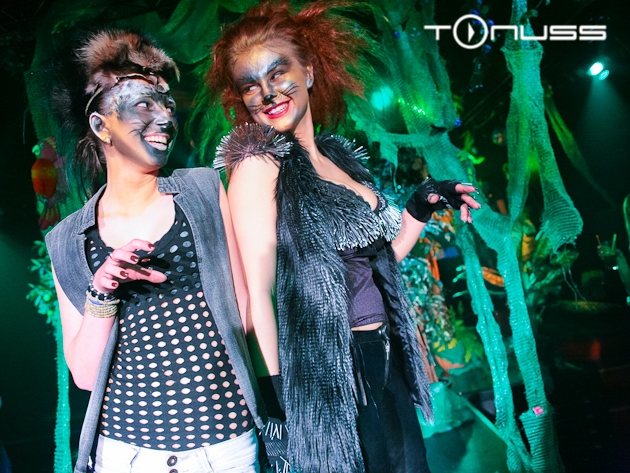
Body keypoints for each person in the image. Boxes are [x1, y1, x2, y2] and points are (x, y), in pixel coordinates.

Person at [206, 2, 480, 473]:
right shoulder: (257, 165)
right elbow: (257, 295)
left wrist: (421, 205)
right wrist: (279, 409)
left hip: (384, 359)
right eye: (251, 85)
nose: (268, 93)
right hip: (333, 374)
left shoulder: (338, 158)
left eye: (278, 73)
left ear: (309, 72)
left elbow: (377, 263)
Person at [45, 29, 266, 473]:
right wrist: (102, 290)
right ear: (100, 125)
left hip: (224, 448)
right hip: (127, 456)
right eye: (144, 104)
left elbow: (245, 312)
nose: (165, 116)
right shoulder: (69, 239)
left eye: (166, 104)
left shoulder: (203, 190)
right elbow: (85, 375)